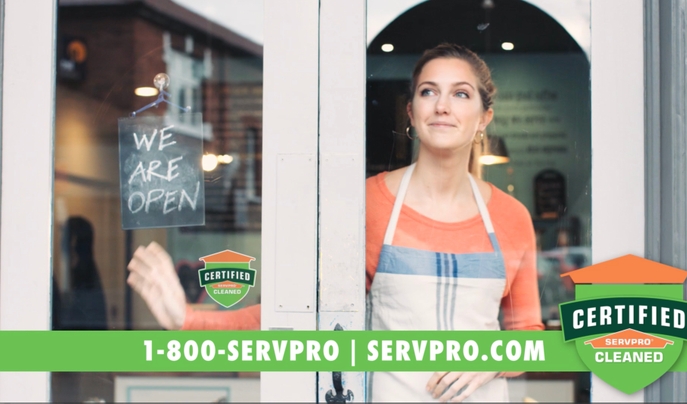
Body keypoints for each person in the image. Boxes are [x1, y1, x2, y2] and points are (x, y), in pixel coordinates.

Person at [127, 43, 542, 402]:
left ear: (484, 117)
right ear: (412, 113)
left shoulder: (511, 218)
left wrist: (493, 358)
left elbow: (529, 336)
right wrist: (190, 320)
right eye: (428, 91)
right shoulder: (365, 205)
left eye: (461, 94)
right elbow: (298, 313)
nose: (443, 106)